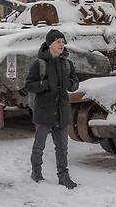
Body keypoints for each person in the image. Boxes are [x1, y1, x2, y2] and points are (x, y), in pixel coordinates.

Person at [25, 29, 80, 189]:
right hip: (44, 111)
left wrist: (72, 84)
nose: (62, 45)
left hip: (62, 111)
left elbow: (74, 82)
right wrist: (45, 84)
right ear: (50, 44)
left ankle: (63, 176)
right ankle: (36, 171)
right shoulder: (39, 64)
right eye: (58, 42)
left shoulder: (67, 64)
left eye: (63, 42)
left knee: (62, 147)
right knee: (39, 146)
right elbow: (29, 85)